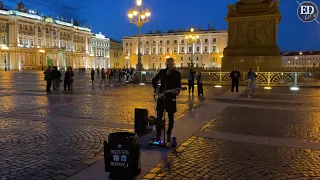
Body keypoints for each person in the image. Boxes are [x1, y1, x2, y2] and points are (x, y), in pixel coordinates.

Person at [152, 58, 181, 143]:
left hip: (171, 97)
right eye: (168, 64)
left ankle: (168, 134)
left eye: (171, 64)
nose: (169, 66)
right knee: (159, 117)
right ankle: (158, 135)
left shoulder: (177, 74)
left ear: (174, 64)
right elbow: (154, 80)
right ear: (166, 64)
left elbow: (178, 86)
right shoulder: (162, 72)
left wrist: (177, 91)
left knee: (171, 117)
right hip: (161, 98)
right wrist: (157, 88)